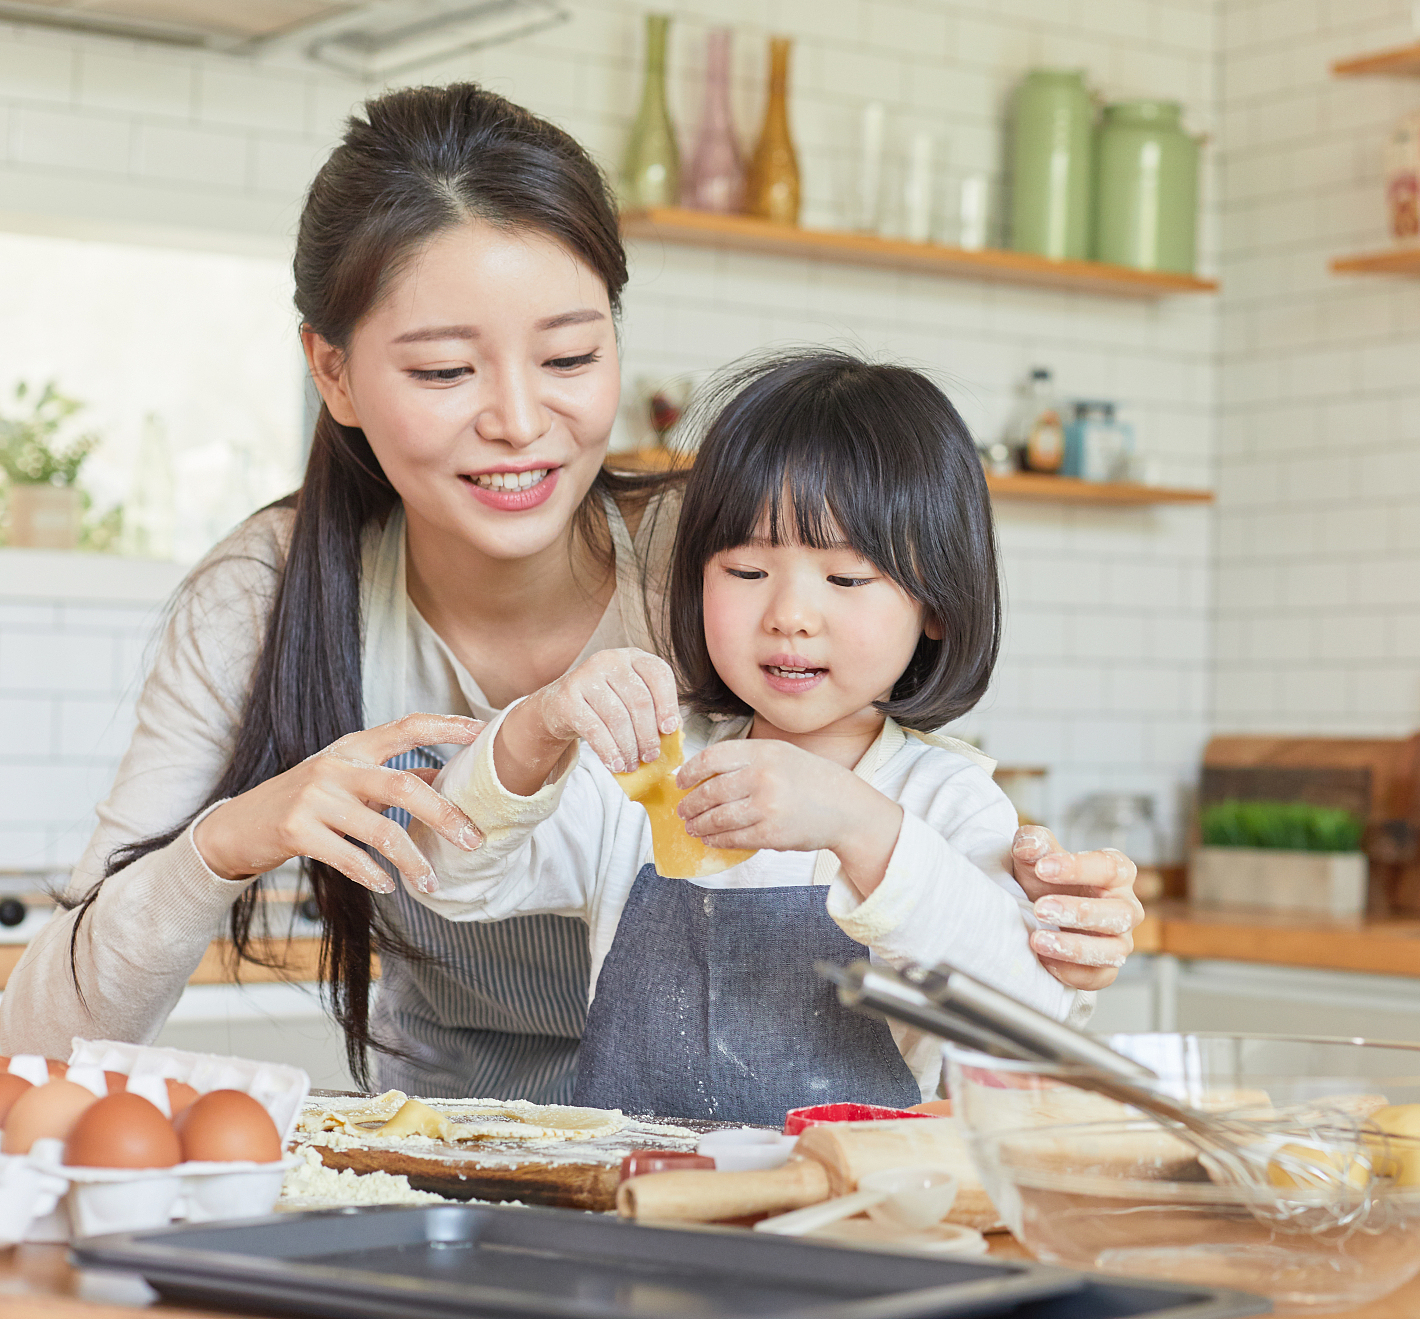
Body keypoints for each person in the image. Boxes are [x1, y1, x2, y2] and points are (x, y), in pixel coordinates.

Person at [0, 84, 1141, 1100]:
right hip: (464, 1154)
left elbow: (989, 947)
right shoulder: (265, 595)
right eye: (445, 369)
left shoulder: (722, 557)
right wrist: (238, 835)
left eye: (569, 357)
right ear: (331, 372)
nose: (517, 420)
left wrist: (1054, 910)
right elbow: (42, 1044)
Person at [411, 351, 1062, 1120]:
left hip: (846, 1191)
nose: (789, 615)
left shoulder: (948, 800)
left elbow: (1026, 1017)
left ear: (937, 607)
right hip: (637, 1187)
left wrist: (860, 824)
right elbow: (450, 874)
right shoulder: (649, 763)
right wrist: (540, 723)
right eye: (748, 571)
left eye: (846, 578)